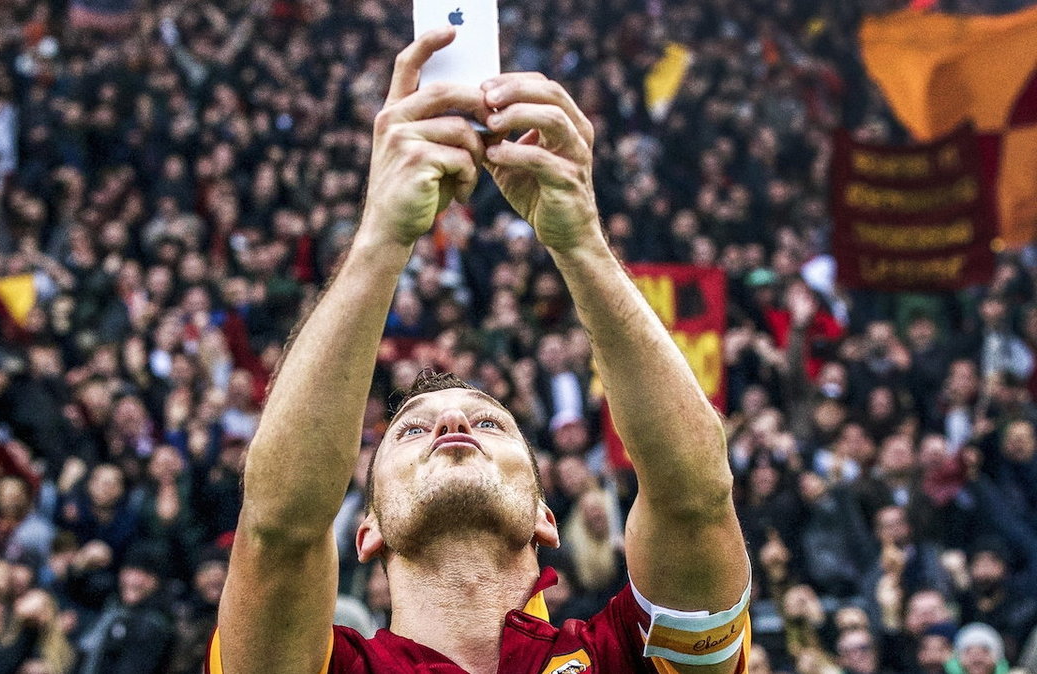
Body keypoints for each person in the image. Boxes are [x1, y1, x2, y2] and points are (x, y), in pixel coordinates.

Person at [209, 27, 750, 674]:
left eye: (491, 422)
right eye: (408, 433)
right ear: (367, 531)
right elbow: (279, 526)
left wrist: (580, 241)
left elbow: (696, 494)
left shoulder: (622, 658)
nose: (452, 422)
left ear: (546, 518)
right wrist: (382, 233)